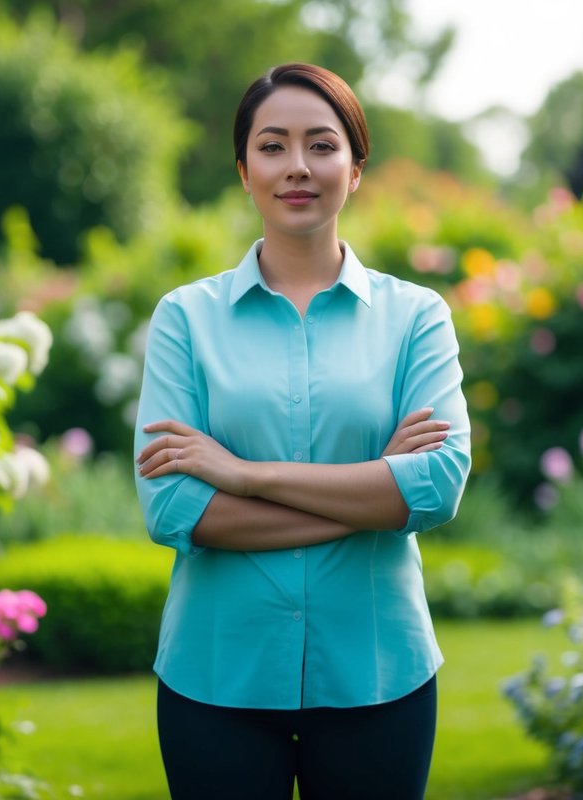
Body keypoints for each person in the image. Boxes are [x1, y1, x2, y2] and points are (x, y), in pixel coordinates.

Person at [133, 62, 471, 800]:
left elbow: (436, 489)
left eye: (321, 146)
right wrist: (368, 489)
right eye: (272, 146)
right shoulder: (185, 319)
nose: (297, 167)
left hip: (379, 676)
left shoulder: (416, 317)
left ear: (354, 170)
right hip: (215, 676)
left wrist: (242, 473)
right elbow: (171, 510)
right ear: (243, 170)